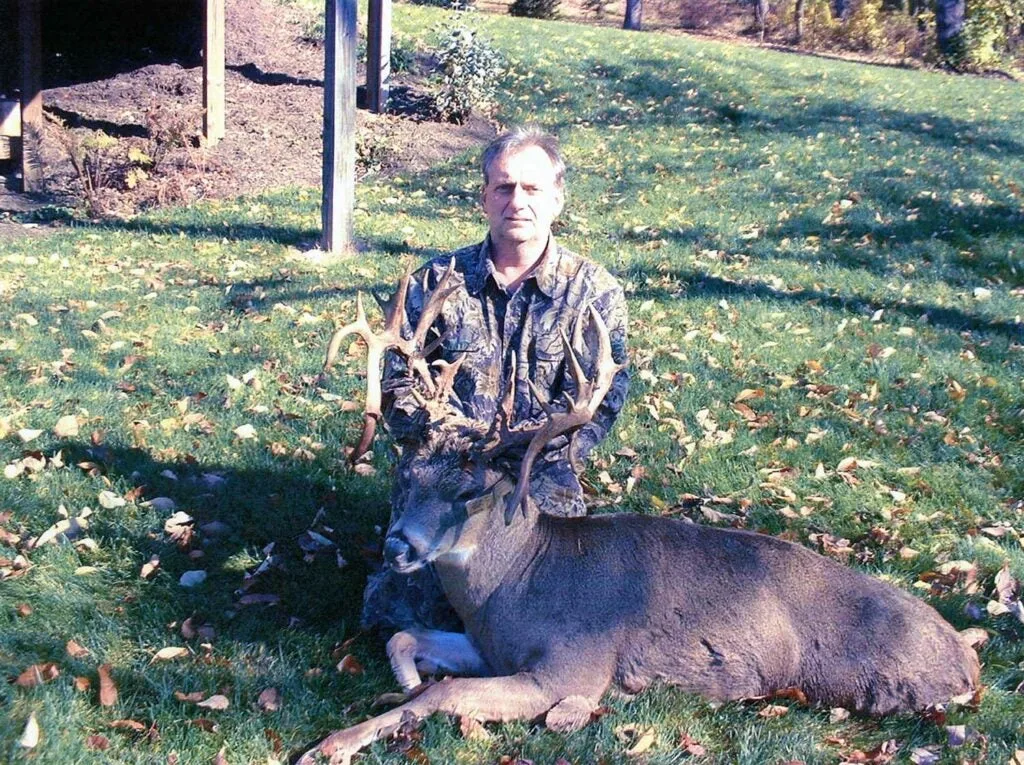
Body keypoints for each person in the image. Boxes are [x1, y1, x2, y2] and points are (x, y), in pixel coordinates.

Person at [362, 126, 629, 631]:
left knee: (551, 615)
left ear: (557, 199)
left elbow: (605, 396)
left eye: (532, 189)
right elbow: (397, 382)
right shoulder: (437, 281)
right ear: (485, 197)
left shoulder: (594, 291)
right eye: (504, 187)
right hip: (444, 472)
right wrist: (442, 441)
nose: (517, 201)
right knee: (398, 616)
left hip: (534, 472)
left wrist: (533, 450)